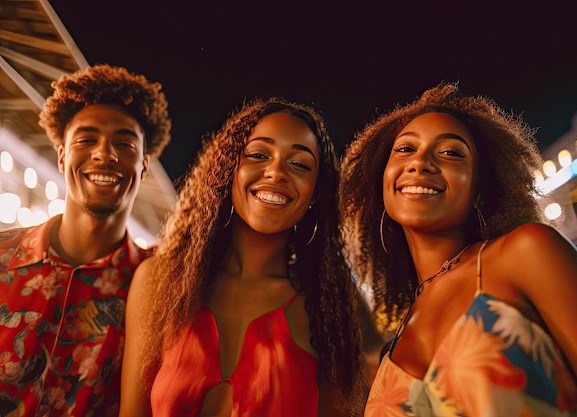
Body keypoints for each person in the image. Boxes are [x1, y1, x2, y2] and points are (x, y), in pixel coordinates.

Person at [340, 82, 577, 417]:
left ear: (479, 190)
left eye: (451, 152)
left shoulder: (526, 252)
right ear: (383, 182)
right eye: (404, 149)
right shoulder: (399, 333)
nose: (420, 163)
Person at [119, 97, 367, 416]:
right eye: (258, 155)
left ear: (316, 192)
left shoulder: (327, 310)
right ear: (229, 170)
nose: (276, 172)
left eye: (300, 164)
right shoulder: (161, 281)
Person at [0, 64, 171, 416]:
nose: (104, 154)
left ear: (144, 166)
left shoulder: (160, 290)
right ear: (62, 154)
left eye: (124, 143)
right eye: (86, 139)